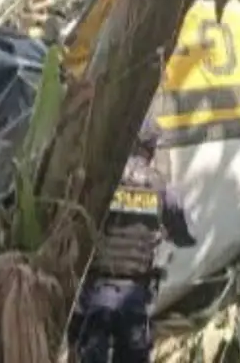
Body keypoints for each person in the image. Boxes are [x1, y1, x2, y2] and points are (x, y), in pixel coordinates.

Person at [67, 117, 196, 363]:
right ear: (150, 148)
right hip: (134, 298)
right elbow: (186, 234)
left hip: (95, 294)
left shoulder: (102, 179)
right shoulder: (160, 186)